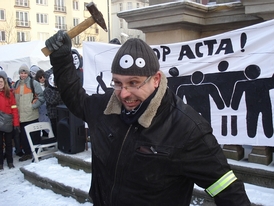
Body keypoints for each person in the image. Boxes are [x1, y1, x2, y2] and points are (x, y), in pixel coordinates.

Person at [45, 31, 251, 205]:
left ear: (156, 79)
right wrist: (62, 60)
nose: (124, 93)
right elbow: (75, 98)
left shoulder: (186, 128)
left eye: (134, 83)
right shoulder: (106, 107)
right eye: (117, 82)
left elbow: (226, 189)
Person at [13, 64, 45, 162]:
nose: (23, 75)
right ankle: (27, 153)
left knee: (34, 135)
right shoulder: (16, 84)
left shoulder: (33, 83)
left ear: (28, 73)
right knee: (24, 137)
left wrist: (33, 106)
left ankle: (37, 152)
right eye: (21, 73)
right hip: (21, 116)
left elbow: (41, 97)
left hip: (32, 115)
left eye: (25, 73)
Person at [0, 71, 20, 170]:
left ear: (4, 82)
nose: (0, 83)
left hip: (8, 122)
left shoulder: (10, 93)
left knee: (8, 144)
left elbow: (14, 109)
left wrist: (16, 123)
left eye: (1, 81)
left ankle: (10, 161)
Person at [43, 73, 63, 137]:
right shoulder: (47, 90)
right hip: (53, 115)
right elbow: (52, 101)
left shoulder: (62, 89)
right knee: (57, 133)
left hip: (63, 114)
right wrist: (58, 90)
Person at [35, 69, 50, 137]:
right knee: (42, 125)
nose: (42, 79)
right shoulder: (36, 86)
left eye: (43, 77)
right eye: (40, 77)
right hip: (40, 108)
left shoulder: (48, 85)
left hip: (47, 108)